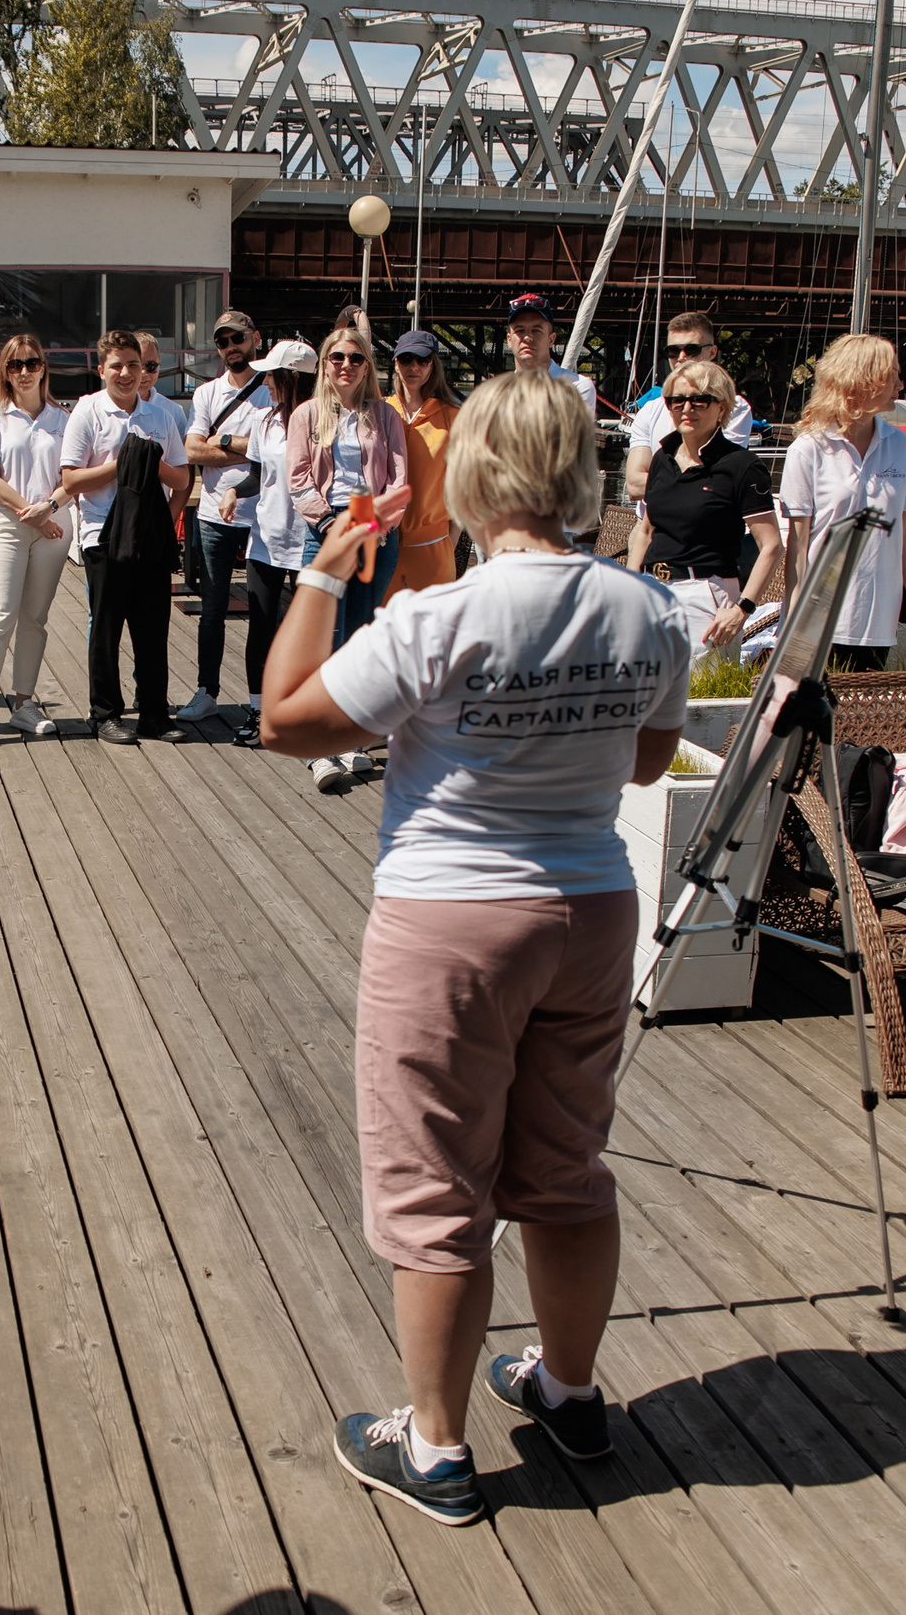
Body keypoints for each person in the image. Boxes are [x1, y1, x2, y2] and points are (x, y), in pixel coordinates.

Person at [254, 366, 688, 1529]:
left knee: (437, 1186)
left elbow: (283, 722)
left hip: (452, 923)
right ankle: (568, 1387)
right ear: (582, 477)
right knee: (565, 1169)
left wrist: (319, 568)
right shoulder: (646, 610)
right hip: (592, 908)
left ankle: (436, 1450)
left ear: (478, 470)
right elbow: (647, 762)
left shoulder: (438, 617)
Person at [289, 321, 413, 790]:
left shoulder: (385, 416)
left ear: (367, 367)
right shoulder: (306, 415)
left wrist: (378, 525)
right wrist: (328, 523)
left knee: (360, 636)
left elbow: (398, 481)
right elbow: (299, 477)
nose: (346, 365)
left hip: (375, 530)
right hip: (326, 528)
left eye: (356, 358)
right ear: (324, 364)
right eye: (337, 357)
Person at [55, 329, 190, 746]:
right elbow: (71, 478)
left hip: (149, 536)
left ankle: (154, 714)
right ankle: (107, 714)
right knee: (107, 629)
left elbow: (183, 478)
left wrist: (149, 461)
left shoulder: (160, 415)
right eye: (117, 366)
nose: (127, 373)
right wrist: (119, 464)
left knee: (153, 630)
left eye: (135, 364)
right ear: (102, 370)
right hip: (104, 534)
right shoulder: (87, 412)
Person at [779, 332, 906, 672]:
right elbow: (799, 543)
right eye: (892, 373)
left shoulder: (901, 446)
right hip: (818, 620)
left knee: (863, 721)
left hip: (878, 619)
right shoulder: (809, 449)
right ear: (864, 380)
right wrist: (794, 615)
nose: (900, 382)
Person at [628, 359, 783, 652]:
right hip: (652, 591)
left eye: (700, 400)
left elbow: (772, 546)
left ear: (721, 408)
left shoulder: (742, 466)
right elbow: (647, 529)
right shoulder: (662, 458)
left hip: (705, 595)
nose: (687, 409)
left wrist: (742, 609)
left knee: (700, 693)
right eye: (677, 401)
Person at [0, 333, 71, 750]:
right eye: (14, 365)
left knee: (34, 619)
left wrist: (50, 507)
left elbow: (73, 476)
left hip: (55, 526)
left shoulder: (64, 418)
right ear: (4, 372)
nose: (24, 371)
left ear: (44, 366)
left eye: (32, 362)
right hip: (8, 524)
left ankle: (24, 703)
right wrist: (36, 513)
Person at [181, 310, 270, 720]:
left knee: (262, 610)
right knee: (212, 609)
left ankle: (261, 700)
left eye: (237, 338)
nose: (231, 347)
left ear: (255, 338)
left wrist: (227, 441)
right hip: (214, 516)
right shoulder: (207, 393)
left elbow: (276, 450)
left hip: (264, 515)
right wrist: (249, 447)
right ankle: (206, 690)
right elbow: (192, 451)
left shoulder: (272, 387)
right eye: (222, 341)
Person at [229, 339, 317, 747]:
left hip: (311, 541)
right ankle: (258, 710)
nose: (266, 381)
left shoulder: (323, 419)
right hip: (266, 539)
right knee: (260, 626)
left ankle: (300, 711)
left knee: (306, 632)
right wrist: (234, 491)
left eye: (272, 375)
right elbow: (256, 476)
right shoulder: (265, 420)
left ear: (293, 377)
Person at [625, 312, 755, 496]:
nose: (681, 357)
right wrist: (690, 482)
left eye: (691, 349)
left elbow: (722, 478)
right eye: (673, 350)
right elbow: (634, 486)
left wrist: (660, 481)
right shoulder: (650, 410)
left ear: (712, 352)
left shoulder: (733, 407)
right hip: (650, 522)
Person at [384, 329, 462, 599]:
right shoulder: (381, 411)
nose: (413, 367)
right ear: (396, 363)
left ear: (433, 364)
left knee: (435, 633)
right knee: (384, 631)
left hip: (432, 544)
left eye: (422, 359)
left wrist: (449, 542)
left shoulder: (453, 416)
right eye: (406, 359)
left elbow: (462, 484)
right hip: (384, 543)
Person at [504, 292, 599, 415]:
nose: (527, 337)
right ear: (509, 340)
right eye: (520, 330)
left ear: (551, 339)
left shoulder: (578, 387)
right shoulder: (498, 391)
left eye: (536, 330)